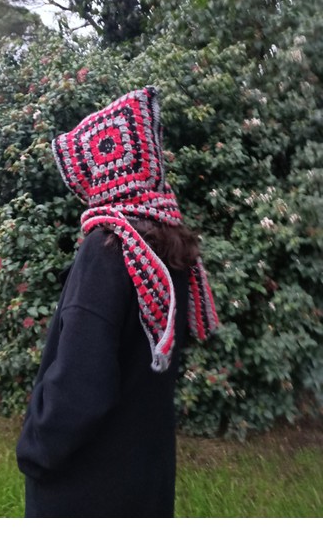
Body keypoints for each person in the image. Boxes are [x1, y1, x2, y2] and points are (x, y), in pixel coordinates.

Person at [16, 86, 218, 518]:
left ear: (102, 170)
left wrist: (35, 449)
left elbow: (80, 386)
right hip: (144, 476)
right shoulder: (171, 248)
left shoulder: (107, 249)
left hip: (87, 490)